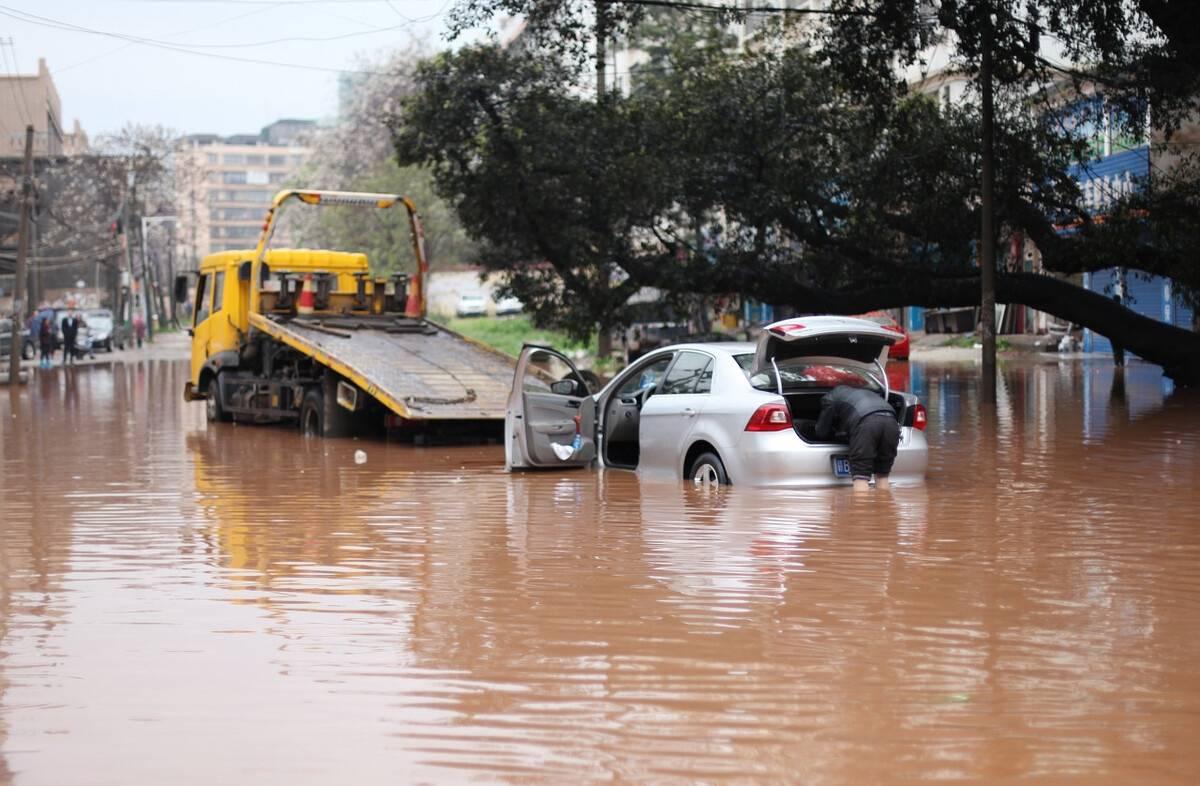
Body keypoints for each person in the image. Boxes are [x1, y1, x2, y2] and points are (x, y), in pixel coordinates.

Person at [814, 384, 900, 492]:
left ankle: (861, 508)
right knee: (882, 475)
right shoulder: (868, 393)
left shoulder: (830, 398)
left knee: (861, 476)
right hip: (892, 423)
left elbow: (822, 432)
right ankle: (885, 507)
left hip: (867, 423)